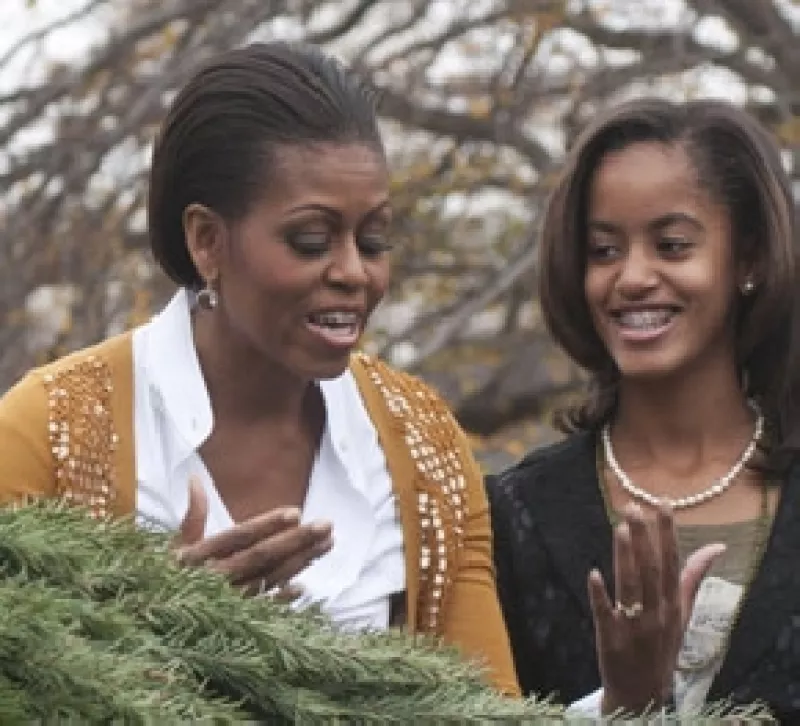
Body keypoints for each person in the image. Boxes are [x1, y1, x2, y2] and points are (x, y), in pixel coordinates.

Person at [0, 42, 521, 694]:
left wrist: (627, 696)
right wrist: (143, 634)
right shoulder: (47, 432)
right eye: (310, 240)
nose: (354, 273)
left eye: (373, 239)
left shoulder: (424, 445)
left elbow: (489, 706)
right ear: (208, 240)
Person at [487, 97, 800, 719]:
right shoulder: (515, 517)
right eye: (604, 251)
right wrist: (626, 703)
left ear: (750, 260)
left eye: (673, 245)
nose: (631, 277)